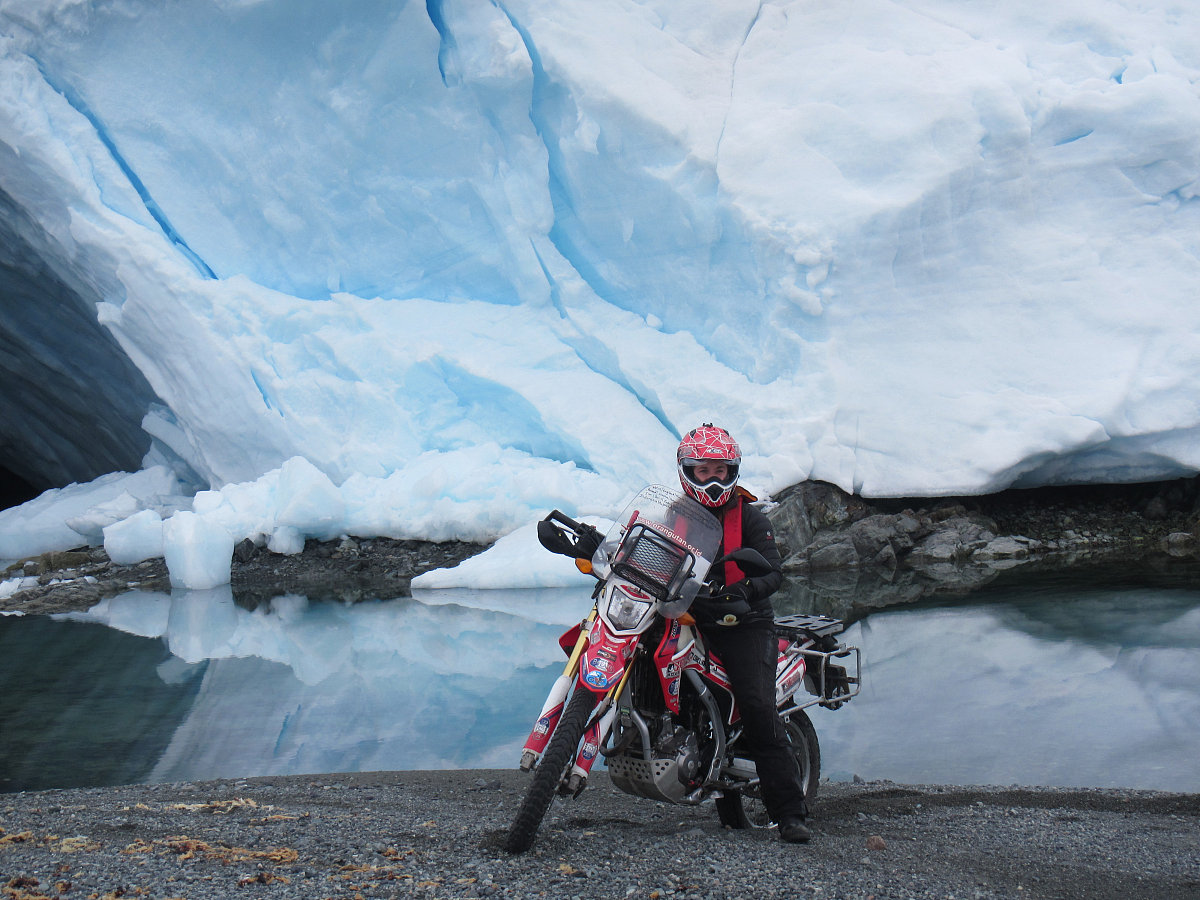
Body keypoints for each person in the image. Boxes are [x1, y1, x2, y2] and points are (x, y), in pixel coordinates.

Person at [677, 423, 812, 844]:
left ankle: (790, 813)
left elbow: (773, 572)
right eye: (703, 471)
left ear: (732, 471)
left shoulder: (750, 517)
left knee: (756, 706)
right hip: (688, 617)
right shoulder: (675, 518)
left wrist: (746, 590)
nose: (713, 480)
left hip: (744, 623)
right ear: (688, 472)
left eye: (720, 471)